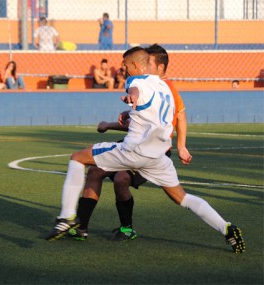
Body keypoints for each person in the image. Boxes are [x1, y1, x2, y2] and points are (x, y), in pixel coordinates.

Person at [46, 46, 245, 254]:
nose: (122, 69)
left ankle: (66, 218)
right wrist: (131, 110)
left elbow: (135, 90)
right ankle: (227, 228)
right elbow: (157, 114)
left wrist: (132, 95)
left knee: (78, 158)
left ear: (134, 65)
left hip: (133, 151)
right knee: (182, 198)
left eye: (124, 65)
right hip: (158, 157)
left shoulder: (136, 80)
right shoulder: (164, 87)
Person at [71, 44, 192, 241]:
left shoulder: (165, 87)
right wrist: (123, 118)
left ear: (159, 67)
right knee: (95, 170)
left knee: (121, 179)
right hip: (135, 143)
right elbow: (142, 122)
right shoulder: (148, 84)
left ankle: (127, 228)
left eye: (149, 62)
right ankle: (80, 227)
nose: (145, 66)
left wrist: (181, 145)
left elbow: (180, 116)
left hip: (153, 150)